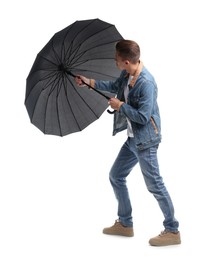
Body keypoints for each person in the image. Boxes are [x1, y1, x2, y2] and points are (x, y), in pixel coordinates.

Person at [75, 40, 181, 246]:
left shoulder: (146, 83)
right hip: (133, 139)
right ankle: (125, 224)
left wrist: (121, 105)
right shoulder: (127, 74)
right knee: (116, 175)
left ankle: (172, 230)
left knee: (155, 185)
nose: (114, 62)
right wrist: (90, 82)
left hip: (147, 140)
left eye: (116, 60)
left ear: (125, 61)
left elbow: (142, 117)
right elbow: (114, 87)